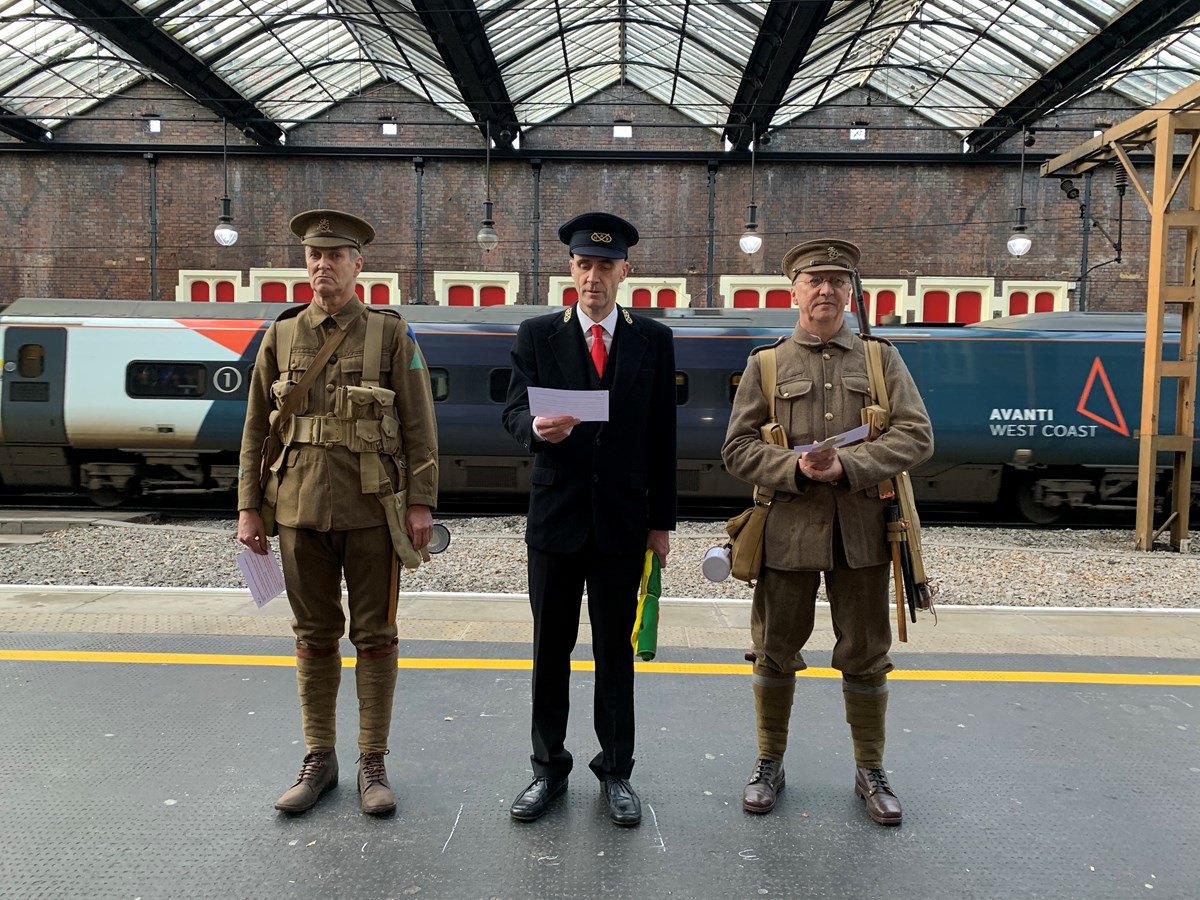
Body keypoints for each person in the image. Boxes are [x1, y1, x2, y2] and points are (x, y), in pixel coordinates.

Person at [721, 238, 933, 826]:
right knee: (774, 650)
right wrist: (792, 468)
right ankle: (769, 763)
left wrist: (849, 466)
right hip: (786, 531)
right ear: (793, 290)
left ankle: (870, 768)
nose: (825, 290)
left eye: (837, 281)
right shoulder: (766, 364)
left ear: (850, 292)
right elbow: (736, 450)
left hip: (864, 533)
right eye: (814, 280)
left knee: (866, 654)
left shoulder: (880, 360)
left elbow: (917, 436)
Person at [236, 209, 438, 816]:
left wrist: (422, 502)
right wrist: (249, 508)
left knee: (375, 636)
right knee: (312, 636)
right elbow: (255, 429)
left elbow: (419, 425)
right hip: (297, 510)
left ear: (358, 264)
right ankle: (318, 758)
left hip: (373, 509)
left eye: (334, 256)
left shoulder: (390, 335)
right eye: (313, 256)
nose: (322, 266)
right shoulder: (281, 335)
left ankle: (372, 762)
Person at [502, 211, 677, 827]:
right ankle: (547, 769)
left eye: (606, 266)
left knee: (614, 654)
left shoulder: (652, 339)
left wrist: (662, 522)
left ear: (625, 272)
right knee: (549, 651)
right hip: (555, 519)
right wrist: (536, 431)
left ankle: (617, 772)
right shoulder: (536, 333)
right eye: (584, 264)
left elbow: (663, 436)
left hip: (623, 524)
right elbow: (515, 411)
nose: (593, 276)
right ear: (570, 270)